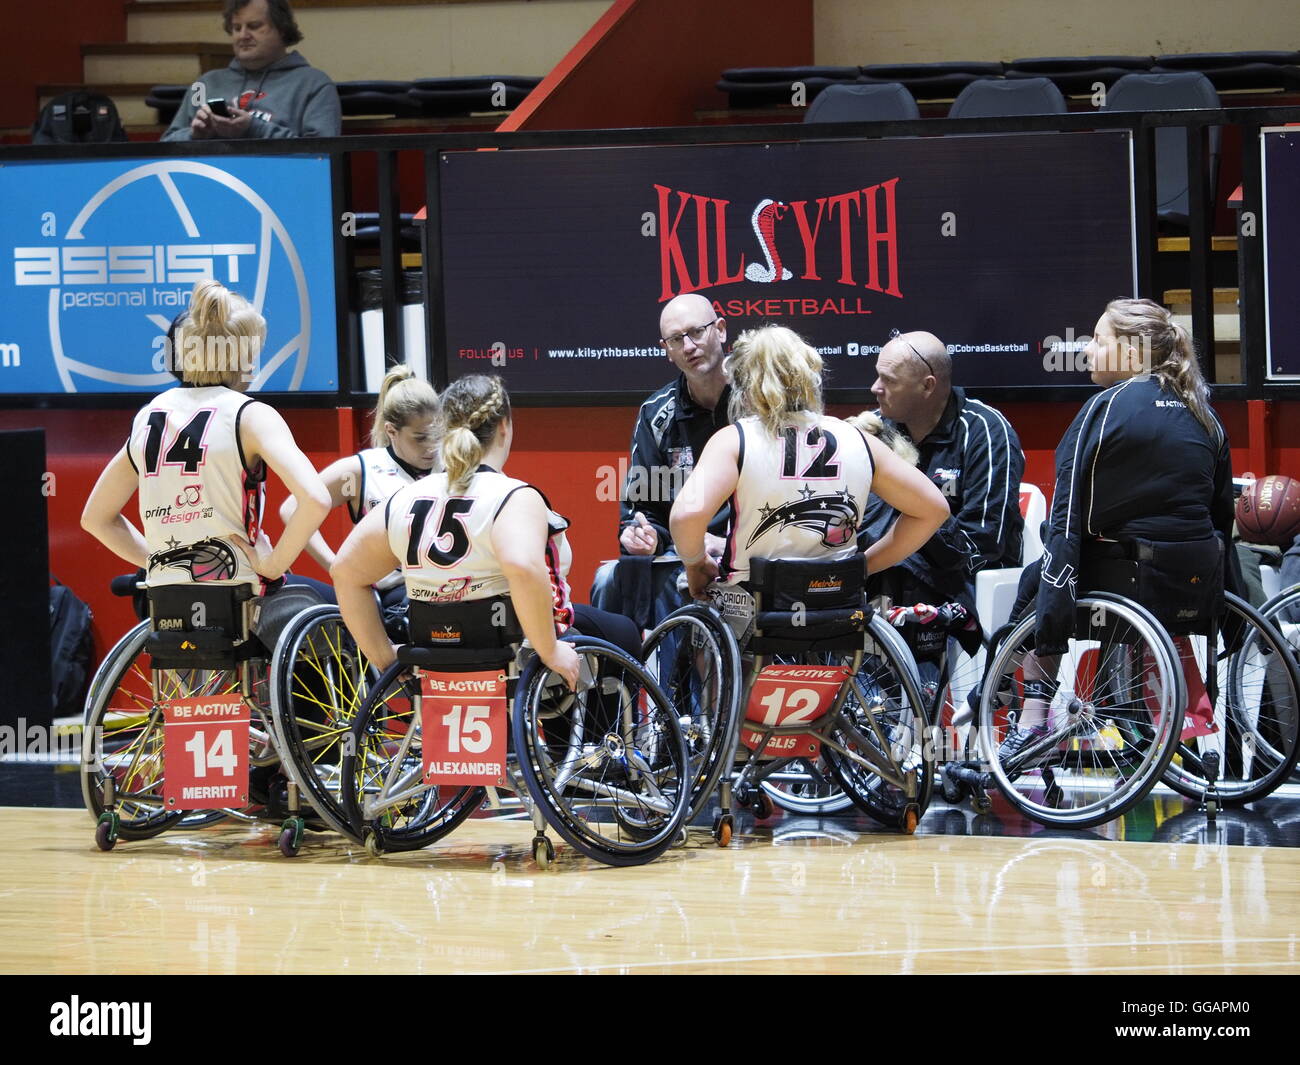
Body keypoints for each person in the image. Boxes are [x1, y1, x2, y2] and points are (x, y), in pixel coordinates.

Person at [1000, 297, 1243, 759]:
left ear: (1131, 353)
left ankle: (1028, 717)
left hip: (1125, 580)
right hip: (1194, 581)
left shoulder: (1104, 408)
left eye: (1098, 339)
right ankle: (1189, 729)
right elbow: (1221, 519)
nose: (1087, 349)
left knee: (1038, 582)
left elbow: (1066, 522)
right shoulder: (1204, 413)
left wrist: (1052, 608)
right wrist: (1227, 606)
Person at [332, 375, 642, 689]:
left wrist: (383, 657)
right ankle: (593, 736)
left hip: (431, 643)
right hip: (503, 642)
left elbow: (344, 572)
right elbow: (522, 568)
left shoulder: (403, 498)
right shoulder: (512, 496)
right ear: (504, 426)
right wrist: (549, 650)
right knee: (621, 632)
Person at [669, 325, 950, 605]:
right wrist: (863, 566)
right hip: (836, 601)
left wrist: (695, 564)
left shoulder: (734, 440)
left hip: (753, 602)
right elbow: (933, 510)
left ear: (744, 384)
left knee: (696, 619)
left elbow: (684, 517)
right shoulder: (858, 439)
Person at [81, 278, 330, 593]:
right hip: (239, 587)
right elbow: (316, 499)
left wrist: (161, 563)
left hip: (167, 592)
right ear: (243, 358)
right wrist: (273, 564)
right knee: (348, 608)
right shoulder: (250, 415)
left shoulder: (150, 415)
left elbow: (96, 518)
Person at [589, 292, 733, 626]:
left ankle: (684, 680)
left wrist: (727, 542)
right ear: (666, 350)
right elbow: (642, 508)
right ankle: (620, 679)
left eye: (697, 332)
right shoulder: (658, 414)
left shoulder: (759, 400)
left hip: (749, 550)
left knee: (681, 583)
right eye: (675, 340)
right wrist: (643, 535)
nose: (689, 347)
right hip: (683, 553)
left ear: (721, 330)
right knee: (608, 579)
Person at [860, 330, 1025, 612]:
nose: (875, 388)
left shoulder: (986, 431)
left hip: (962, 585)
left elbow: (983, 545)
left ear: (927, 386)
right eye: (878, 375)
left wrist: (917, 514)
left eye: (889, 380)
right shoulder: (873, 430)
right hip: (878, 572)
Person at [279, 364, 439, 603]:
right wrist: (335, 566)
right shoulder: (362, 470)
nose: (431, 446)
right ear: (392, 431)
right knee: (285, 588)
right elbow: (291, 508)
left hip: (446, 589)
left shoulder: (453, 462)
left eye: (438, 434)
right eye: (420, 438)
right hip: (389, 595)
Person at [162, 0, 341, 142]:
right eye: (236, 28)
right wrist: (194, 136)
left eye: (254, 26)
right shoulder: (204, 84)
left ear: (282, 30)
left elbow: (323, 156)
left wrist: (253, 128)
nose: (243, 35)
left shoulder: (313, 84)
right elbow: (165, 146)